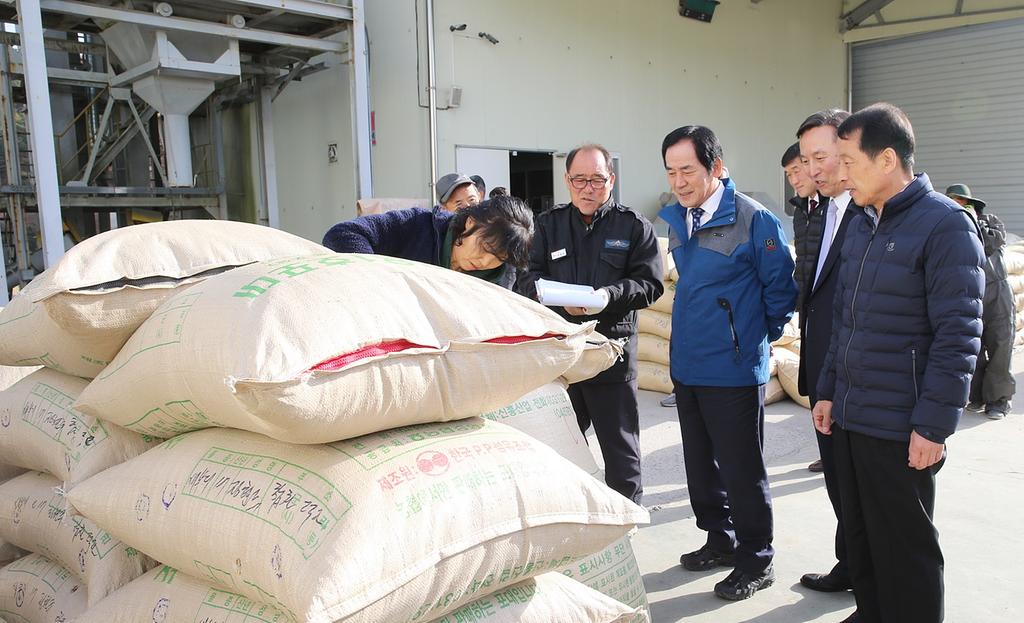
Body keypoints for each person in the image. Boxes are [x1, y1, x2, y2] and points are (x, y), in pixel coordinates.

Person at [814, 103, 985, 623]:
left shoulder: (945, 225)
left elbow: (960, 336)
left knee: (905, 547)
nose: (839, 174)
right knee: (862, 535)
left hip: (901, 425)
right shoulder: (864, 222)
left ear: (887, 158)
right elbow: (844, 317)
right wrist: (826, 389)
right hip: (851, 413)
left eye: (848, 160)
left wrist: (933, 426)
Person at [658, 125, 797, 601]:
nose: (679, 181)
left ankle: (757, 558)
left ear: (716, 167)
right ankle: (721, 540)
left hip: (734, 370)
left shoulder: (754, 219)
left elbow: (781, 291)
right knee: (699, 466)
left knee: (741, 469)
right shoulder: (680, 217)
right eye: (671, 171)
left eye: (688, 170)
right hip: (689, 366)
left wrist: (751, 339)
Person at [518, 143, 663, 505]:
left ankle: (627, 514)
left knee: (620, 447)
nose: (588, 188)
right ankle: (567, 508)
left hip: (609, 352)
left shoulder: (632, 227)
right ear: (567, 181)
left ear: (611, 180)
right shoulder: (549, 225)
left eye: (597, 180)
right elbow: (526, 278)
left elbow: (651, 284)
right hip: (563, 355)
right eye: (579, 179)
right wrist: (551, 296)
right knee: (559, 440)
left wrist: (608, 296)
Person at [794, 109, 859, 596]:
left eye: (820, 157)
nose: (812, 170)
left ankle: (873, 581)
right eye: (805, 159)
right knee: (839, 480)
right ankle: (852, 563)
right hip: (823, 369)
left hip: (857, 376)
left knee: (864, 489)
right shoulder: (821, 210)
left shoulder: (870, 212)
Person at [322, 196, 533, 289]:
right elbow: (344, 233)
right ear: (470, 222)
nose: (485, 262)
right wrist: (381, 281)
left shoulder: (501, 278)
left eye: (499, 258)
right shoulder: (419, 225)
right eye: (485, 247)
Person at [946, 184, 1015, 420]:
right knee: (972, 348)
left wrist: (973, 222)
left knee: (1000, 345)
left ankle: (998, 401)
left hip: (996, 292)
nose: (958, 206)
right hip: (967, 293)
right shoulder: (948, 229)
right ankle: (976, 396)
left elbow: (990, 243)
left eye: (961, 202)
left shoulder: (991, 222)